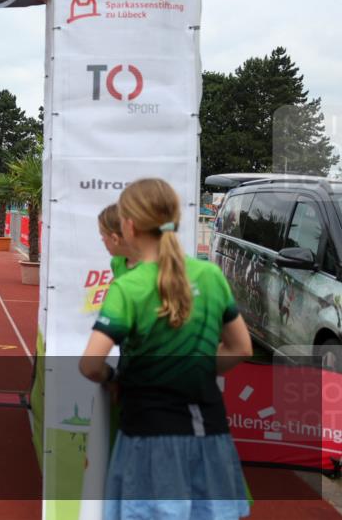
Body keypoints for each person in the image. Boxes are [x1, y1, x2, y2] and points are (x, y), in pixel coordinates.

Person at [79, 178, 252, 520]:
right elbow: (240, 347)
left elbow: (89, 364)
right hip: (209, 435)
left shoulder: (128, 287)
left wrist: (114, 377)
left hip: (147, 437)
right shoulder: (210, 275)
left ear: (128, 225)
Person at [98, 203, 136, 280]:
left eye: (103, 235)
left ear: (115, 239)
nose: (102, 240)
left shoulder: (153, 266)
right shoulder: (116, 262)